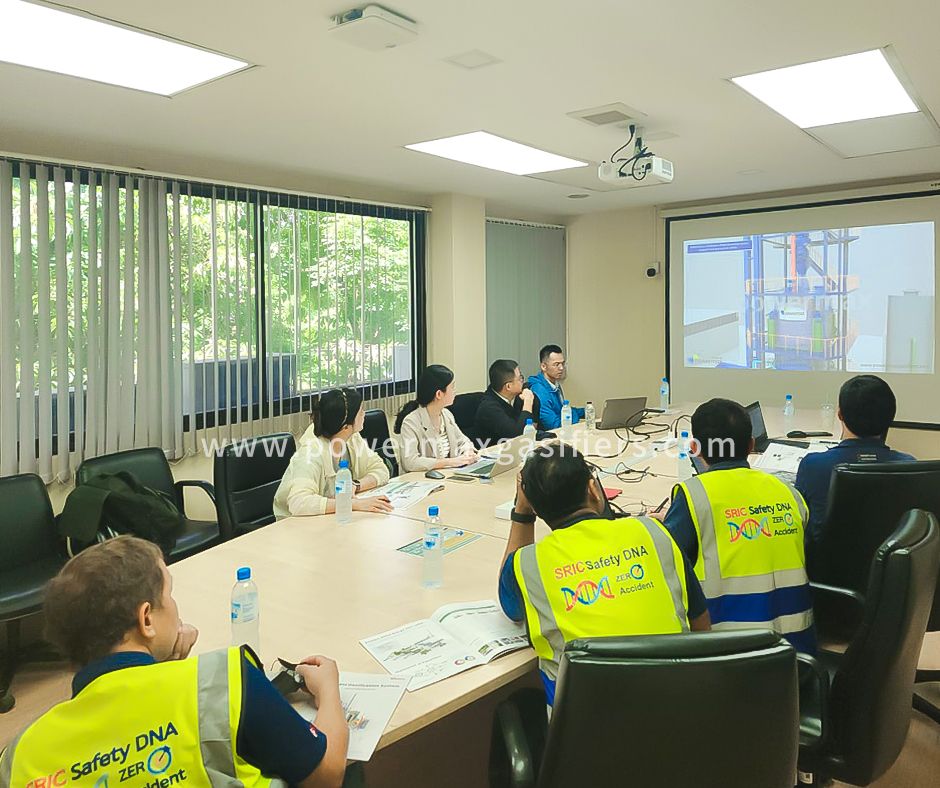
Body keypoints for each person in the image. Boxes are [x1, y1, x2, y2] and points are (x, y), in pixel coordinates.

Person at [0, 536, 348, 788]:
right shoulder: (225, 680)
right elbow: (327, 773)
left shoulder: (18, 757)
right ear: (146, 619)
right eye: (169, 594)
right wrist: (328, 690)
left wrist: (163, 666)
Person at [498, 443, 710, 706]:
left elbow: (512, 610)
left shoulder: (525, 565)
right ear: (593, 489)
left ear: (534, 507)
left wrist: (522, 513)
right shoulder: (654, 532)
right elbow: (701, 625)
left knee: (518, 704)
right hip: (682, 711)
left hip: (588, 728)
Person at [661, 398, 815, 653]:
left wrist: (658, 526)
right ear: (752, 445)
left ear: (694, 449)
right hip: (796, 651)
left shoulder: (695, 497)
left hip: (730, 654)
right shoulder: (789, 492)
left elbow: (665, 562)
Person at [796, 375, 914, 543]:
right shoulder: (908, 466)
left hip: (826, 559)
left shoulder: (813, 465)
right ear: (891, 417)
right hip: (888, 559)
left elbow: (798, 519)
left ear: (839, 415)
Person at [274, 388, 392, 518]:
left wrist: (355, 485)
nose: (364, 414)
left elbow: (381, 470)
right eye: (360, 412)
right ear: (345, 427)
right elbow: (299, 503)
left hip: (333, 519)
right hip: (297, 525)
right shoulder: (310, 453)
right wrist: (353, 504)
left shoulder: (352, 438)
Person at [395, 364, 478, 472]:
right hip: (421, 479)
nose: (455, 391)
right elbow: (410, 462)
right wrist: (449, 462)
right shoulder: (411, 422)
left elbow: (463, 440)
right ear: (439, 394)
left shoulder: (446, 415)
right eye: (452, 387)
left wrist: (468, 451)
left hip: (447, 475)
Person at [474, 359, 540, 447]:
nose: (522, 381)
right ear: (508, 386)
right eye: (520, 378)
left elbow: (532, 427)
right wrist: (528, 402)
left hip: (513, 449)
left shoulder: (516, 396)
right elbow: (517, 436)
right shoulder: (489, 408)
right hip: (493, 452)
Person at [526, 344, 585, 430]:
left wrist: (586, 411)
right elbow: (555, 426)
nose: (561, 368)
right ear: (543, 367)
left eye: (562, 363)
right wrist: (574, 415)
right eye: (556, 364)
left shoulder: (554, 384)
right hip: (549, 435)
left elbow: (561, 409)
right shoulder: (539, 390)